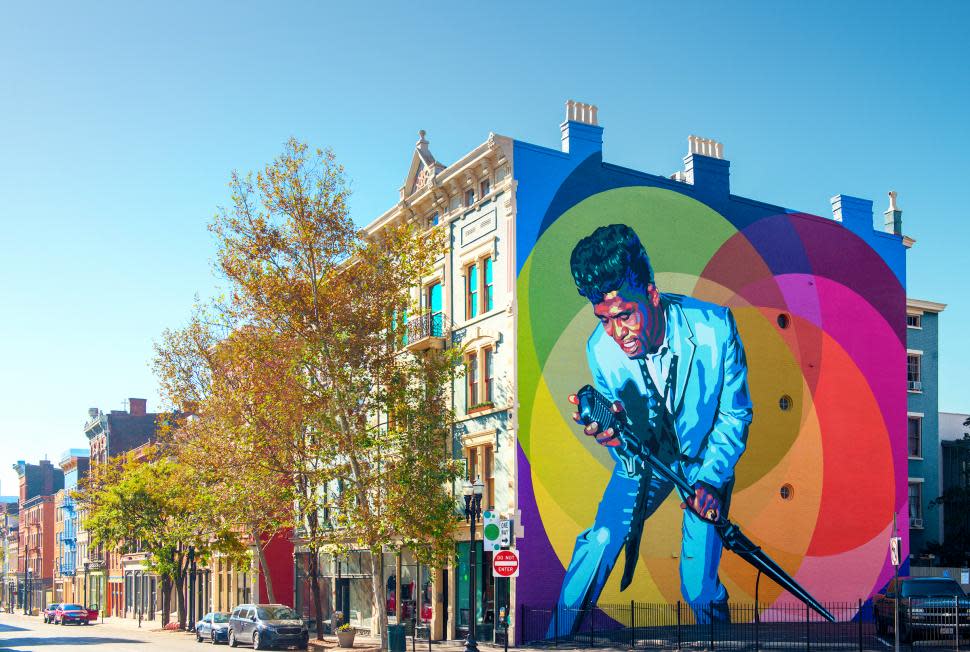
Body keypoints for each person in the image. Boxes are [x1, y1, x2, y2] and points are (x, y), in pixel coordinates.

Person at [550, 224, 753, 635]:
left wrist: (711, 481)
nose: (616, 332)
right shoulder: (600, 349)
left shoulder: (715, 328)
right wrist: (614, 436)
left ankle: (722, 643)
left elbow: (735, 415)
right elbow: (627, 447)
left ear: (652, 295)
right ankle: (552, 641)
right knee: (601, 541)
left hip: (702, 463)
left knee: (697, 586)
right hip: (646, 463)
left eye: (624, 315)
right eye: (604, 320)